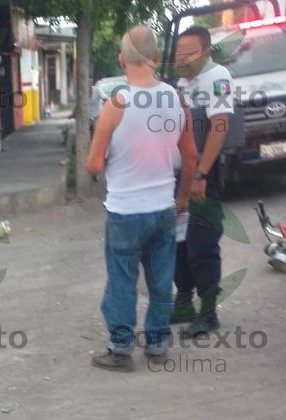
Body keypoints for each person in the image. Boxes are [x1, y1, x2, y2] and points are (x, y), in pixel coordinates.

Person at [86, 26, 199, 372]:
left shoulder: (115, 104)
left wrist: (106, 161)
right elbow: (191, 157)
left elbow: (93, 163)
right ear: (154, 58)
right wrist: (182, 198)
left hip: (124, 211)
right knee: (160, 277)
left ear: (122, 59)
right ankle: (157, 343)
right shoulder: (177, 101)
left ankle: (120, 349)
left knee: (122, 279)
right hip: (163, 207)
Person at [172, 26, 234, 336]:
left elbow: (219, 126)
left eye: (189, 52)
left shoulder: (217, 77)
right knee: (179, 240)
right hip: (181, 174)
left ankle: (208, 314)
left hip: (203, 175)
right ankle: (184, 302)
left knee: (202, 243)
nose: (182, 57)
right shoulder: (183, 81)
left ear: (206, 51)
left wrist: (201, 174)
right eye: (179, 52)